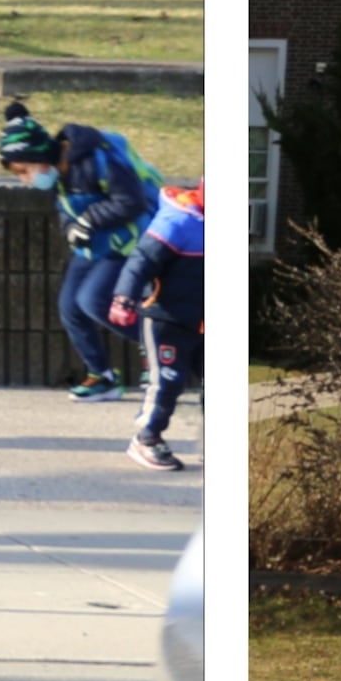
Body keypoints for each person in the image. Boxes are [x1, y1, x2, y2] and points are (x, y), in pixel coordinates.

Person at [0, 100, 162, 401]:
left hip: (128, 243)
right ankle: (102, 376)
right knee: (70, 306)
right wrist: (73, 230)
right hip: (95, 247)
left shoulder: (95, 161)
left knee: (94, 300)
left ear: (38, 159)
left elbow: (131, 201)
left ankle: (160, 345)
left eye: (24, 171)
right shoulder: (59, 177)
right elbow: (66, 211)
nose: (24, 179)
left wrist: (89, 220)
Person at [108, 183, 204, 472]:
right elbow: (141, 261)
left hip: (204, 322)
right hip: (166, 320)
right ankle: (146, 438)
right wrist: (123, 298)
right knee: (166, 382)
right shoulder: (178, 221)